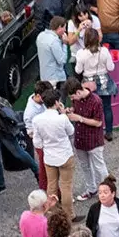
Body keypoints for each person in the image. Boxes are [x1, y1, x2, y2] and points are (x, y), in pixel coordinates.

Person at [31, 88, 77, 218]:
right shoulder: (62, 118)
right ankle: (69, 215)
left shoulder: (37, 120)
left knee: (51, 186)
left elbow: (37, 142)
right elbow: (71, 132)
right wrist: (63, 113)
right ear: (57, 102)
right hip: (65, 155)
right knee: (66, 186)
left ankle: (52, 213)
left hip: (49, 157)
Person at [36, 15, 69, 87]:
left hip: (44, 77)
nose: (65, 30)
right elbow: (62, 60)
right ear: (60, 27)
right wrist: (64, 44)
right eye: (64, 27)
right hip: (56, 79)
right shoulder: (54, 41)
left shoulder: (40, 36)